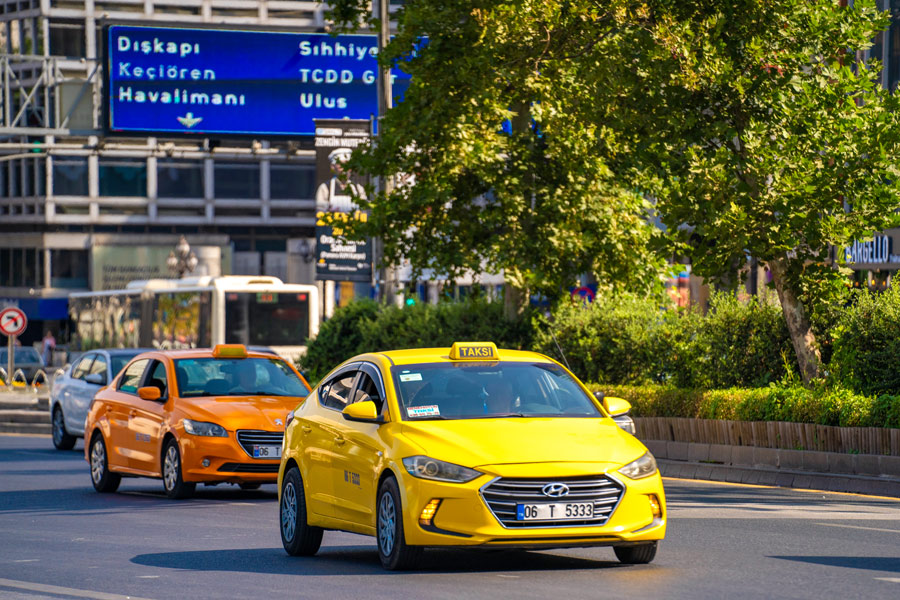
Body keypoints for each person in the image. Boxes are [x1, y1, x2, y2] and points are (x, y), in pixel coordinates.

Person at [315, 147, 366, 213]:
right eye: (340, 165)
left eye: (347, 164)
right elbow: (319, 211)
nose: (344, 168)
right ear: (333, 167)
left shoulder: (359, 189)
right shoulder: (324, 188)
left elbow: (365, 210)